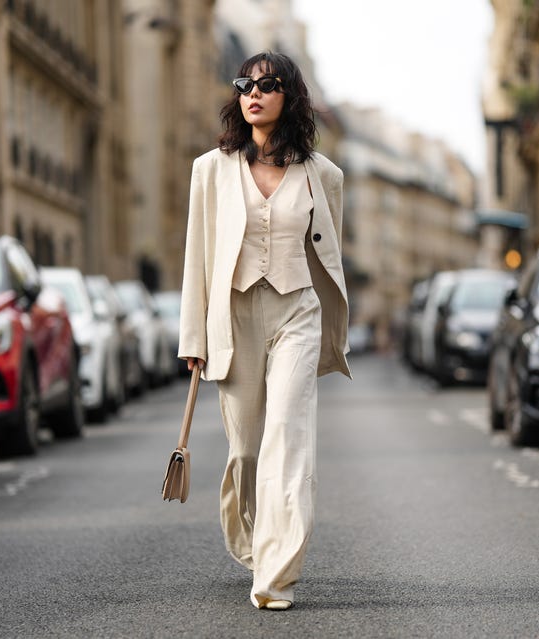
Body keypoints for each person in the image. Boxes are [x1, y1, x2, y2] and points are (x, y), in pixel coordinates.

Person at [178, 51, 351, 610]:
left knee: (288, 439)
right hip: (234, 316)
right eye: (245, 84)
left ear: (290, 97)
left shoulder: (324, 176)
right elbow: (197, 260)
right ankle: (255, 538)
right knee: (248, 451)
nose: (254, 92)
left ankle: (275, 576)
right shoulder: (211, 170)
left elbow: (328, 256)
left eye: (268, 84)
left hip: (297, 312)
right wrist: (193, 340)